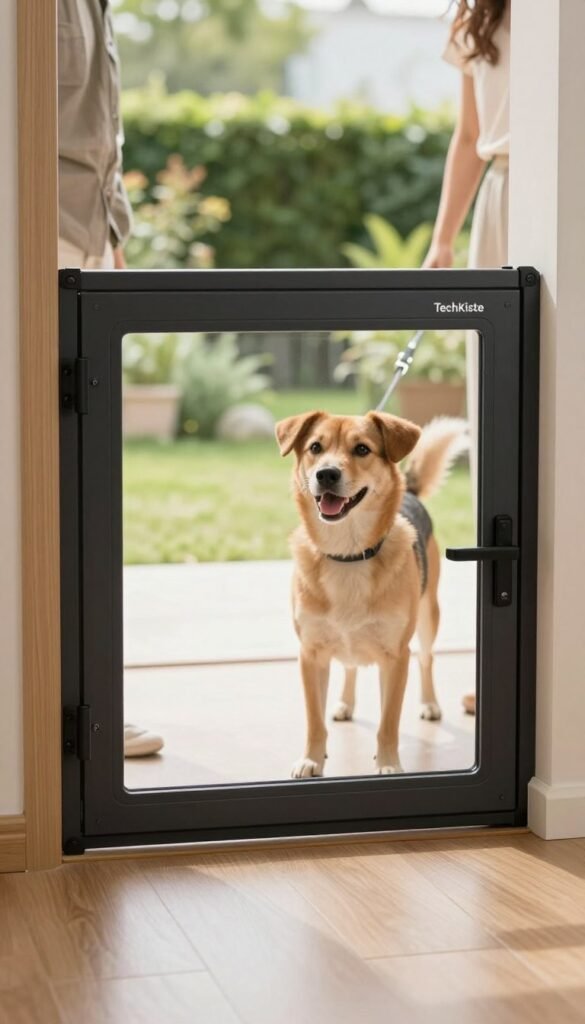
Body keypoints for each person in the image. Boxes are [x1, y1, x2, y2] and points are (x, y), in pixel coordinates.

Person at [58, 0, 164, 757]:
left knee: (87, 485)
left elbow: (100, 132)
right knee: (48, 488)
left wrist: (113, 230)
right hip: (40, 230)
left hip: (87, 237)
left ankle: (88, 695)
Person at [424, 0, 510, 716]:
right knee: (503, 436)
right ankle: (504, 660)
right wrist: (442, 241)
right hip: (505, 203)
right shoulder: (474, 17)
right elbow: (468, 135)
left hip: (559, 191)